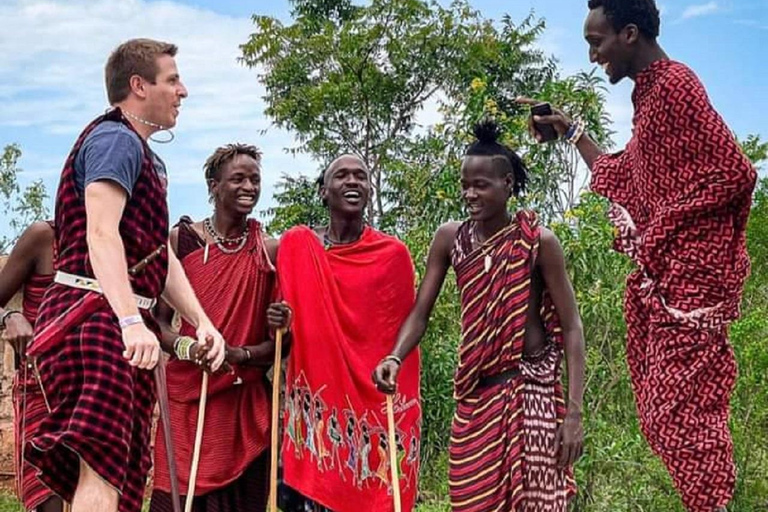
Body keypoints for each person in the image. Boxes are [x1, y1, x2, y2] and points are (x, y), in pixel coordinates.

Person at [517, 1, 757, 510]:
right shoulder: (651, 99)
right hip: (668, 282)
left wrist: (669, 228)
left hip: (692, 284)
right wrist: (572, 130)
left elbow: (736, 174)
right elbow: (629, 177)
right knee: (662, 414)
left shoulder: (674, 87)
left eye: (596, 42)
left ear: (629, 34)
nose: (591, 55)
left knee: (679, 415)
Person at [24, 38, 226, 512]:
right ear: (138, 86)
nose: (184, 91)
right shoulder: (114, 140)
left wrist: (201, 320)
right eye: (173, 80)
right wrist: (130, 321)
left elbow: (161, 257)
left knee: (114, 473)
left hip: (109, 319)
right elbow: (101, 233)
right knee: (104, 467)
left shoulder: (144, 156)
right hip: (92, 317)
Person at [374, 120, 585, 512]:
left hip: (530, 393)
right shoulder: (451, 238)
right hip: (477, 396)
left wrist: (573, 414)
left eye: (481, 185)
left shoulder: (538, 242)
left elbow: (572, 328)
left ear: (507, 184)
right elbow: (422, 311)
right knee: (469, 499)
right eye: (465, 185)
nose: (470, 194)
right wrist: (394, 357)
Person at [274, 155, 421, 512]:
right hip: (317, 417)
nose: (352, 182)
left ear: (370, 190)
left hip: (371, 408)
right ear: (324, 192)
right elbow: (287, 338)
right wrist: (278, 322)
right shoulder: (297, 247)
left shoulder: (392, 255)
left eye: (361, 176)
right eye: (341, 176)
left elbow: (402, 337)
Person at [149, 143, 289, 512]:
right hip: (188, 400)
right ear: (213, 185)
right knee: (178, 497)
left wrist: (237, 353)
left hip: (242, 405)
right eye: (237, 179)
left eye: (255, 180)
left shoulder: (267, 251)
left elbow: (279, 343)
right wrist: (191, 350)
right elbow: (158, 325)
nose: (248, 187)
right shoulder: (181, 241)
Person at [0, 220, 63, 512]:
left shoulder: (118, 244)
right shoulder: (44, 237)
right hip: (40, 388)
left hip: (95, 389)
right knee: (48, 497)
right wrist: (10, 316)